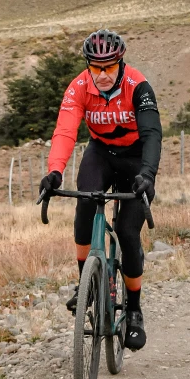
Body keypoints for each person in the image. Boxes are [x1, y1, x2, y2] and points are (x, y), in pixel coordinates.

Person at [39, 28, 162, 350]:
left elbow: (152, 133)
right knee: (85, 201)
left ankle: (134, 310)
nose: (103, 75)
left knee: (127, 232)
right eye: (96, 67)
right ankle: (87, 283)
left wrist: (148, 174)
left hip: (136, 159)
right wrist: (55, 171)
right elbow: (65, 131)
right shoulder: (79, 86)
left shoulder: (138, 85)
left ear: (120, 63)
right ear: (88, 65)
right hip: (101, 153)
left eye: (109, 67)